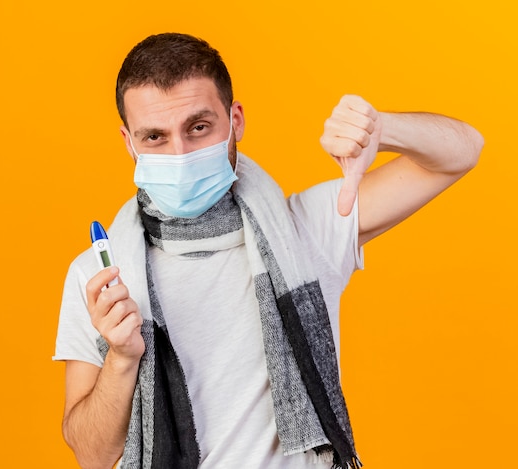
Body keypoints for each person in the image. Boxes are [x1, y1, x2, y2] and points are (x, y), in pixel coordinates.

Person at [53, 33, 483, 469]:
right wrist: (123, 358)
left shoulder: (302, 231)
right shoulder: (100, 277)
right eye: (155, 138)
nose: (180, 154)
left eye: (198, 127)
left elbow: (463, 152)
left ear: (235, 120)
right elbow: (92, 455)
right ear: (129, 143)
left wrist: (384, 128)